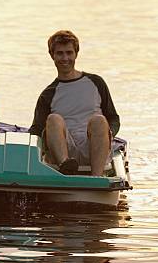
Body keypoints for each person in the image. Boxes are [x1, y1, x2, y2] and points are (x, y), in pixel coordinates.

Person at [29, 30, 120, 176]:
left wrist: (109, 137)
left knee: (99, 120)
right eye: (60, 53)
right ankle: (65, 167)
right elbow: (36, 130)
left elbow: (113, 118)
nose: (65, 58)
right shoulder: (48, 94)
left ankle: (96, 177)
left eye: (69, 52)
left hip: (94, 146)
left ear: (76, 54)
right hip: (63, 150)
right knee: (54, 119)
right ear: (52, 55)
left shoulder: (96, 82)